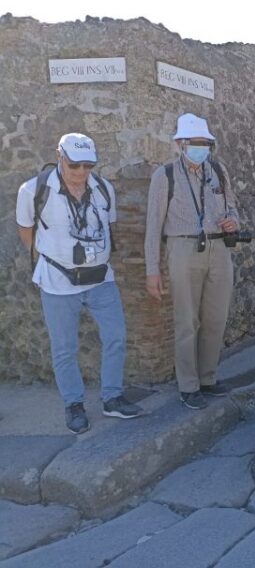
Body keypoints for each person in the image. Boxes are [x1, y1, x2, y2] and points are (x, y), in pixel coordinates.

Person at [16, 133, 143, 433]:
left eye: (88, 166)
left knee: (116, 336)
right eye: (75, 166)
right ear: (59, 157)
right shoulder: (33, 190)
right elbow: (27, 234)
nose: (82, 173)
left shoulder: (103, 189)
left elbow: (108, 229)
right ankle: (74, 405)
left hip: (100, 279)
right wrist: (55, 258)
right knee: (64, 348)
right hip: (57, 282)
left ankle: (112, 397)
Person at [145, 114, 241, 410]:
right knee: (186, 320)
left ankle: (208, 378)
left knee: (216, 318)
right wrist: (152, 271)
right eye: (195, 143)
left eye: (205, 143)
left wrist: (233, 222)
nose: (201, 148)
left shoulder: (218, 171)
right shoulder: (166, 175)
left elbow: (233, 207)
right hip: (183, 247)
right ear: (180, 144)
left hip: (218, 249)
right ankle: (188, 385)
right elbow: (153, 225)